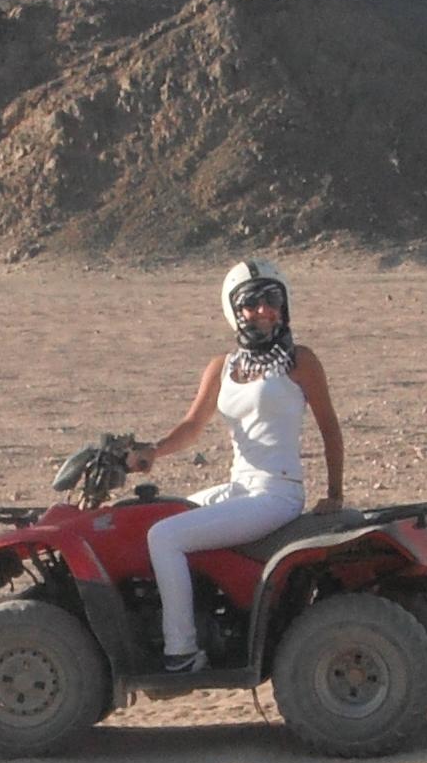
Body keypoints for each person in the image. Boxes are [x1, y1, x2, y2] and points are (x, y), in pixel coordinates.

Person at [127, 259, 345, 677]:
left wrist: (334, 494)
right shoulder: (222, 367)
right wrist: (152, 451)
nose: (266, 311)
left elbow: (330, 430)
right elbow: (193, 426)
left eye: (274, 301)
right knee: (157, 518)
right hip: (239, 487)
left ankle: (182, 652)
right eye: (254, 303)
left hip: (275, 493)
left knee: (164, 537)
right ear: (235, 311)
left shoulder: (300, 362)